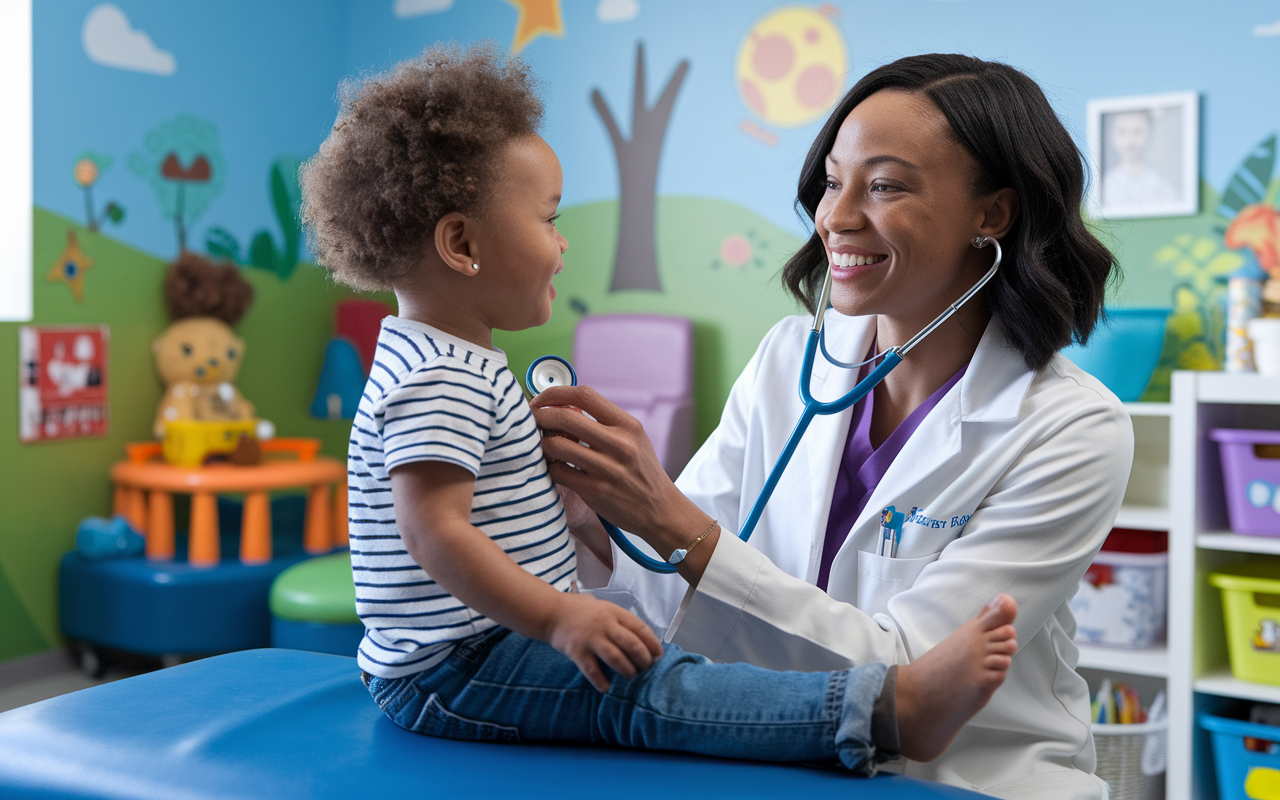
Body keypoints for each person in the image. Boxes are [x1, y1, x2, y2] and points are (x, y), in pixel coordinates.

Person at [299, 42, 1020, 777]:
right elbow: (435, 534)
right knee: (649, 693)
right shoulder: (439, 378)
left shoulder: (457, 365)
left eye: (886, 186)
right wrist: (562, 606)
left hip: (492, 647)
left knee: (658, 682)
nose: (563, 241)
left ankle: (889, 700)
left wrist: (573, 528)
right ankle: (884, 710)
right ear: (461, 243)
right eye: (549, 219)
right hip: (458, 669)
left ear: (990, 215)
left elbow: (663, 544)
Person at [532, 54, 1131, 800]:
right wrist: (601, 524)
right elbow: (673, 592)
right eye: (832, 180)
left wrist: (667, 519)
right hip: (781, 754)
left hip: (962, 779)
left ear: (993, 214)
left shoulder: (1072, 429)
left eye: (883, 186)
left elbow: (912, 676)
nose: (836, 217)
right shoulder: (788, 362)